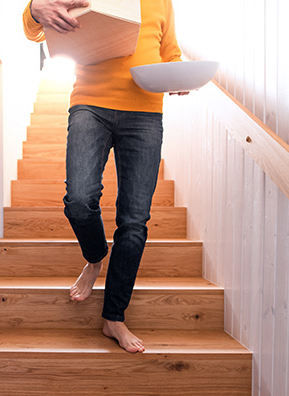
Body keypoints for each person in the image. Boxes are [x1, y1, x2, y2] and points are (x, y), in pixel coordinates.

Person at [23, 0, 188, 353]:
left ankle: (114, 317)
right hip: (90, 104)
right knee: (79, 201)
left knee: (134, 222)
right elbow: (34, 27)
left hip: (145, 114)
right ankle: (95, 258)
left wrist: (179, 75)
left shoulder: (161, 2)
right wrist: (35, 7)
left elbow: (170, 52)